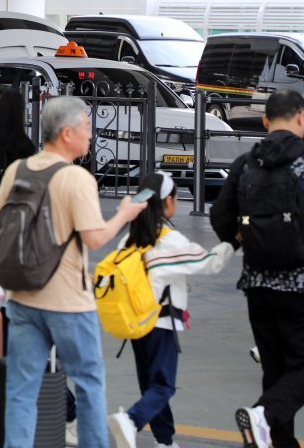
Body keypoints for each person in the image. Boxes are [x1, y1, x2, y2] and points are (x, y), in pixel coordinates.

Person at [0, 95, 146, 448]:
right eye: (86, 128)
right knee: (89, 382)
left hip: (21, 296)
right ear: (66, 134)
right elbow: (94, 239)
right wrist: (123, 214)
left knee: (21, 387)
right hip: (68, 303)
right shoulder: (76, 178)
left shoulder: (19, 169)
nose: (90, 135)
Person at [210, 88, 304, 448]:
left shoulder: (246, 163)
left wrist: (243, 241)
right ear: (302, 119)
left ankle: (272, 437)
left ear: (265, 121)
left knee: (275, 371)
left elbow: (220, 216)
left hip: (257, 283)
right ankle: (262, 417)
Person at [107, 172, 235, 448]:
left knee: (150, 384)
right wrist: (234, 242)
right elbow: (209, 262)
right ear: (168, 202)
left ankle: (164, 441)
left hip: (135, 324)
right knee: (163, 386)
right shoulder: (168, 241)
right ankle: (131, 420)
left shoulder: (129, 238)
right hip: (161, 324)